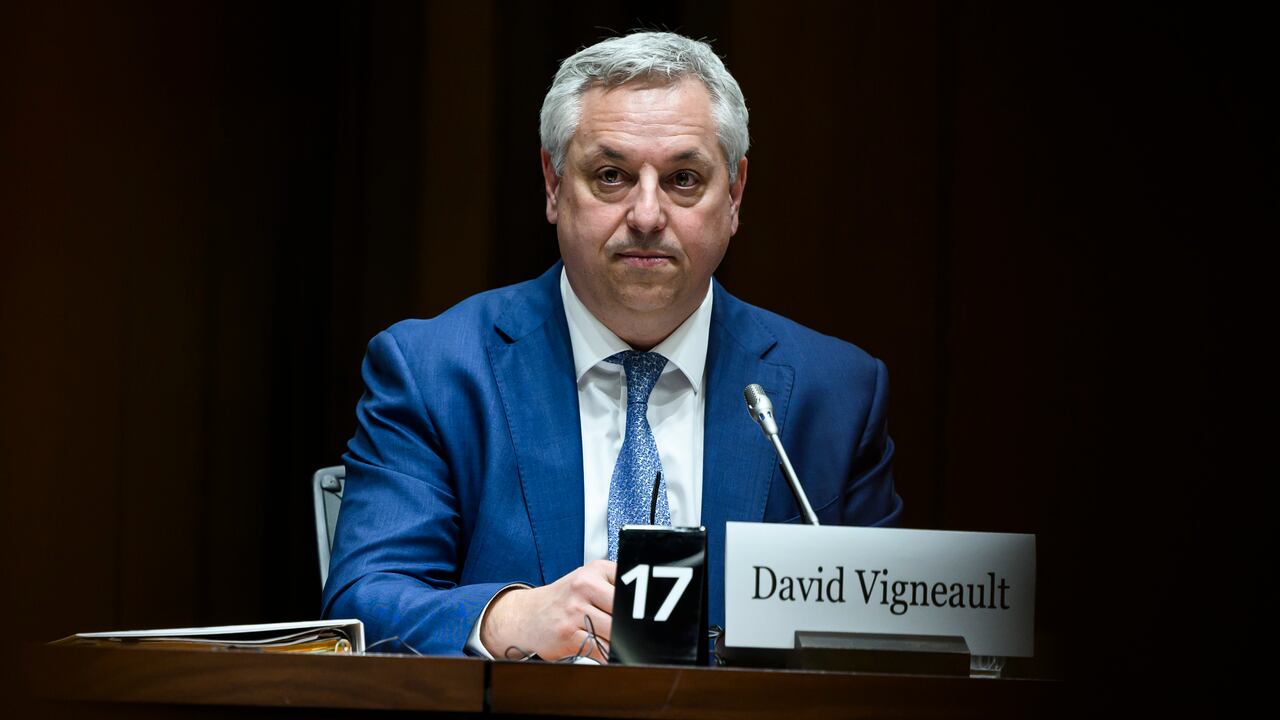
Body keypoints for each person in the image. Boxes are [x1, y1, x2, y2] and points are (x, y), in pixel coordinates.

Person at [321, 31, 902, 661]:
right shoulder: (436, 371)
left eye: (683, 178)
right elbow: (362, 600)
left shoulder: (833, 392)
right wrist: (505, 617)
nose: (647, 215)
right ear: (552, 183)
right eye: (611, 176)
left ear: (733, 195)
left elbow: (890, 637)